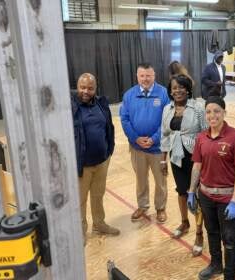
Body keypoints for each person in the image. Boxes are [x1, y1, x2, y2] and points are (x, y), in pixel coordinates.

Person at [187, 96, 235, 280]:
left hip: (227, 199)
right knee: (212, 233)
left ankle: (230, 275)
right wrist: (191, 191)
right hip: (205, 196)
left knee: (229, 239)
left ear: (224, 113)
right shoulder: (201, 138)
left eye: (216, 111)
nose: (212, 115)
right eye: (208, 111)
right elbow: (197, 166)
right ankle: (216, 265)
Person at [160, 74, 207, 256]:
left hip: (195, 158)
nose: (177, 91)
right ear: (170, 91)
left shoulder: (198, 107)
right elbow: (165, 133)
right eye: (174, 88)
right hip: (176, 155)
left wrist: (204, 158)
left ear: (188, 89)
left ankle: (199, 233)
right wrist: (163, 159)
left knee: (196, 193)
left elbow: (205, 133)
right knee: (181, 190)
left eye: (181, 87)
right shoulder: (167, 109)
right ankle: (185, 222)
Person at [71, 73, 119, 243]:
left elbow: (109, 128)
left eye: (90, 88)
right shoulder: (70, 107)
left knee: (98, 195)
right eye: (82, 87)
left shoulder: (101, 104)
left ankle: (99, 223)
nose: (86, 91)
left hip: (102, 161)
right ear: (77, 87)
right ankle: (80, 232)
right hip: (82, 165)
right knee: (80, 200)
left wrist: (109, 150)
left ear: (95, 89)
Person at [120, 63, 170, 223]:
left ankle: (160, 208)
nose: (145, 79)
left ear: (154, 75)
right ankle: (143, 205)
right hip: (137, 148)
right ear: (137, 76)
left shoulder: (163, 93)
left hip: (157, 148)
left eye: (148, 75)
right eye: (142, 75)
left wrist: (154, 138)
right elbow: (125, 119)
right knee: (141, 179)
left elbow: (167, 120)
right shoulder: (129, 95)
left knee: (160, 181)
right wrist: (135, 138)